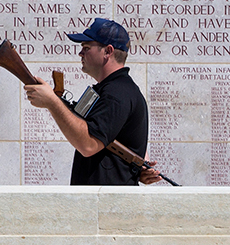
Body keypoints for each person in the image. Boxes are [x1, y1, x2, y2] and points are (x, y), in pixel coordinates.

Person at [24, 18, 152, 185]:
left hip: (106, 204)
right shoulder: (109, 89)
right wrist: (54, 99)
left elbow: (88, 145)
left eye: (86, 48)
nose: (80, 53)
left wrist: (52, 103)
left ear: (108, 51)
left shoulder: (117, 93)